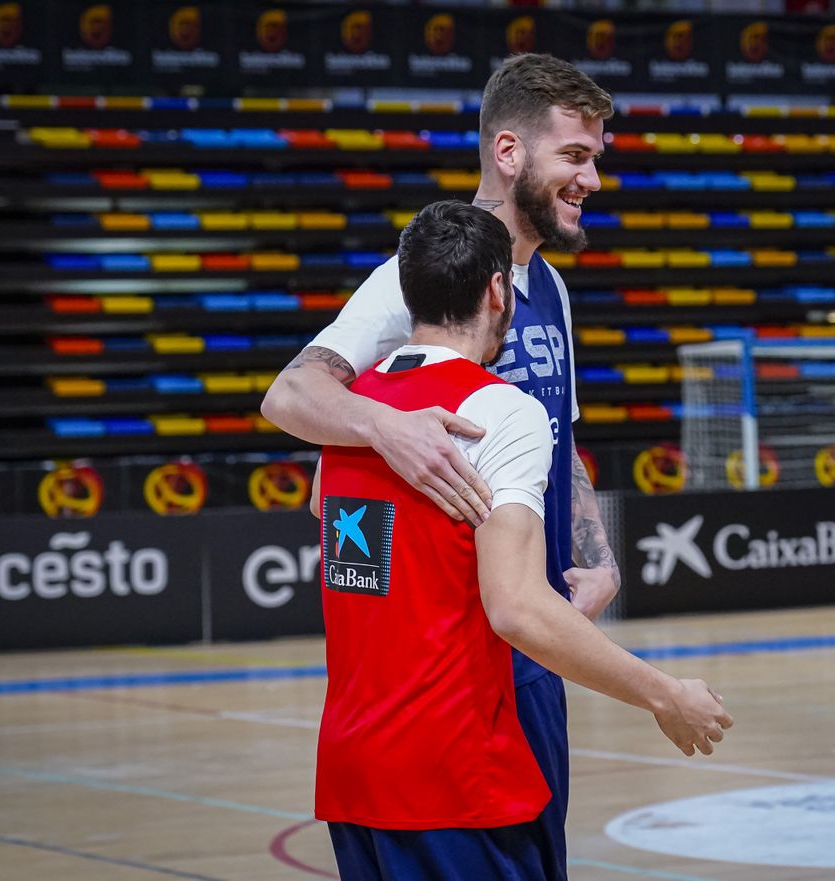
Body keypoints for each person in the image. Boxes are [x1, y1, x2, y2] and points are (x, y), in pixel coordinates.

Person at [260, 53, 619, 877]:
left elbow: (561, 443)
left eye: (595, 156)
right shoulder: (413, 276)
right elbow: (291, 392)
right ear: (508, 153)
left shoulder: (553, 291)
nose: (592, 177)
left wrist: (595, 558)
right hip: (453, 663)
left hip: (535, 648)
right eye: (576, 155)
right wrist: (386, 428)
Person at [314, 201, 731, 881]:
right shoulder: (503, 409)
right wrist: (664, 692)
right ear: (498, 290)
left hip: (352, 771)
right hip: (454, 777)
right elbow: (516, 607)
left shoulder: (347, 414)